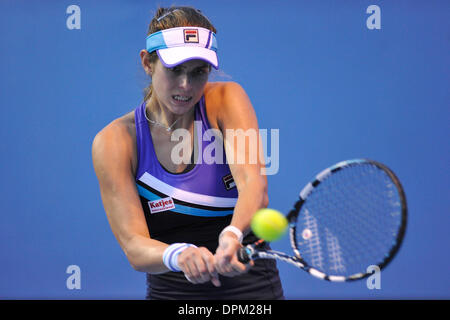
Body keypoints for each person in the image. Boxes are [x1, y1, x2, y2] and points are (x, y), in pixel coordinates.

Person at [92, 6, 284, 300]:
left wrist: (232, 235)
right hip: (171, 293)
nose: (186, 85)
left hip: (251, 289)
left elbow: (254, 186)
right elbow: (134, 245)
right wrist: (179, 255)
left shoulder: (225, 100)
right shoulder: (115, 141)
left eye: (198, 72)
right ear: (147, 62)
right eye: (175, 69)